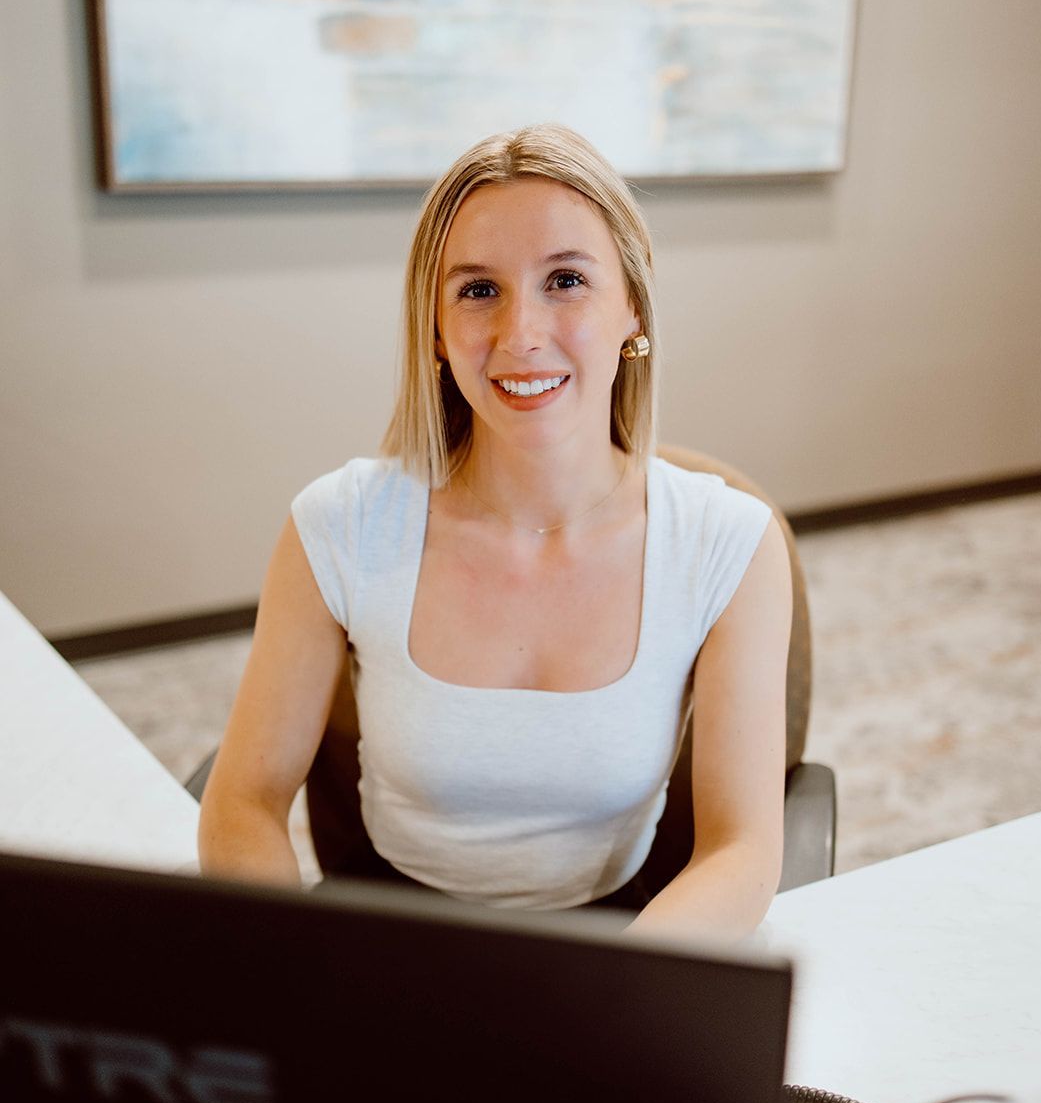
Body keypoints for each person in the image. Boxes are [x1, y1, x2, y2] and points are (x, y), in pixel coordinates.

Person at [199, 124, 792, 936]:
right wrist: (305, 980)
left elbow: (740, 848)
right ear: (435, 332)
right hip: (389, 933)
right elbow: (244, 801)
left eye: (567, 280)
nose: (521, 336)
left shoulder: (730, 543)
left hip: (622, 945)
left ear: (632, 309)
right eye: (478, 290)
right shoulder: (339, 525)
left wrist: (611, 1000)